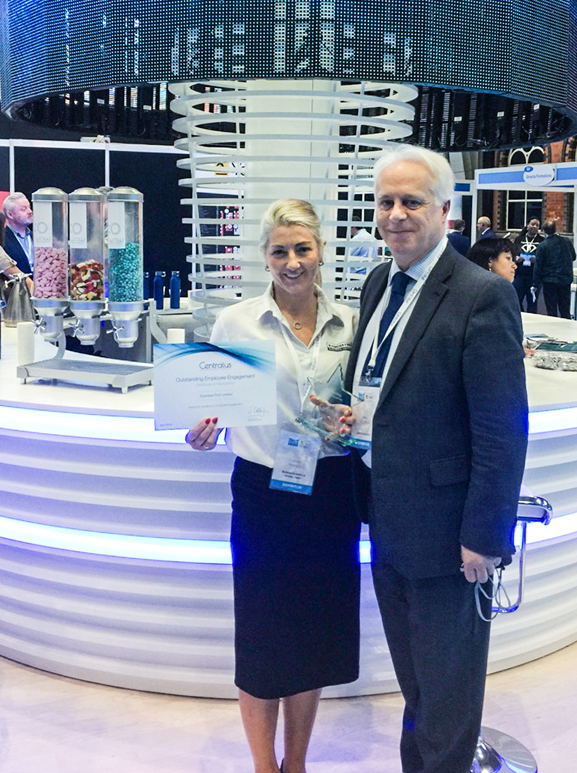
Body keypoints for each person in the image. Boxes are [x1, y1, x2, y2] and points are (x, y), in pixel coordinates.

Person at [343, 145, 528, 773]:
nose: (396, 214)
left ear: (445, 211)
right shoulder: (379, 282)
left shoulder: (482, 295)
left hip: (452, 537)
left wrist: (484, 535)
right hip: (387, 518)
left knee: (447, 696)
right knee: (417, 687)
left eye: (411, 202)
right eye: (386, 202)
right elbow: (384, 386)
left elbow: (503, 431)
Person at [186, 199, 361, 773]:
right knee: (263, 635)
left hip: (331, 491)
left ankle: (297, 762)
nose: (292, 262)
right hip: (263, 492)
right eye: (280, 251)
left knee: (313, 634)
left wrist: (355, 419)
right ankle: (265, 766)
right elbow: (210, 407)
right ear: (264, 256)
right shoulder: (236, 323)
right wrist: (201, 430)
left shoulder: (351, 324)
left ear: (321, 251)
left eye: (302, 249)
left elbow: (367, 405)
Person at [532, 221, 576, 318]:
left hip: (549, 280)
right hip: (565, 280)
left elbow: (538, 266)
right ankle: (567, 326)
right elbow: (573, 257)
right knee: (565, 309)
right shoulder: (567, 242)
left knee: (551, 310)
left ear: (544, 231)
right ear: (555, 229)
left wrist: (535, 283)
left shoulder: (543, 245)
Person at [513, 218, 544, 312]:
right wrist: (516, 258)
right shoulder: (519, 239)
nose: (534, 227)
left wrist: (537, 260)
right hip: (520, 273)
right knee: (517, 300)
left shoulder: (541, 240)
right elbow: (513, 253)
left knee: (532, 301)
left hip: (533, 276)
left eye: (537, 225)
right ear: (527, 225)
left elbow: (545, 257)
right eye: (532, 224)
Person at [2, 193, 34, 274]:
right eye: (23, 209)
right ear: (10, 214)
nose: (30, 212)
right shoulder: (3, 240)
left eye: (29, 207)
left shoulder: (37, 237)